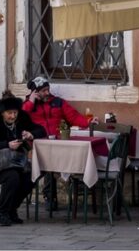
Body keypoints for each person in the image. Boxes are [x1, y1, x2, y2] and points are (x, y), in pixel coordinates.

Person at [22, 76, 99, 210]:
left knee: (63, 159)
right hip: (37, 144)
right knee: (47, 161)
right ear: (35, 92)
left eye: (48, 89)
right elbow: (21, 119)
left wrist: (88, 122)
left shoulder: (58, 102)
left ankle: (78, 186)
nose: (47, 93)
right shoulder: (28, 106)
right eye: (43, 91)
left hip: (57, 142)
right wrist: (31, 102)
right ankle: (49, 197)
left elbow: (73, 116)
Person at [0, 93, 45, 226]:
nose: (13, 116)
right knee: (12, 177)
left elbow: (41, 130)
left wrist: (31, 134)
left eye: (15, 112)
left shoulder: (22, 118)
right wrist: (7, 144)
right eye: (9, 113)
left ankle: (12, 209)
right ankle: (3, 213)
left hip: (12, 162)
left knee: (31, 175)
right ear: (2, 113)